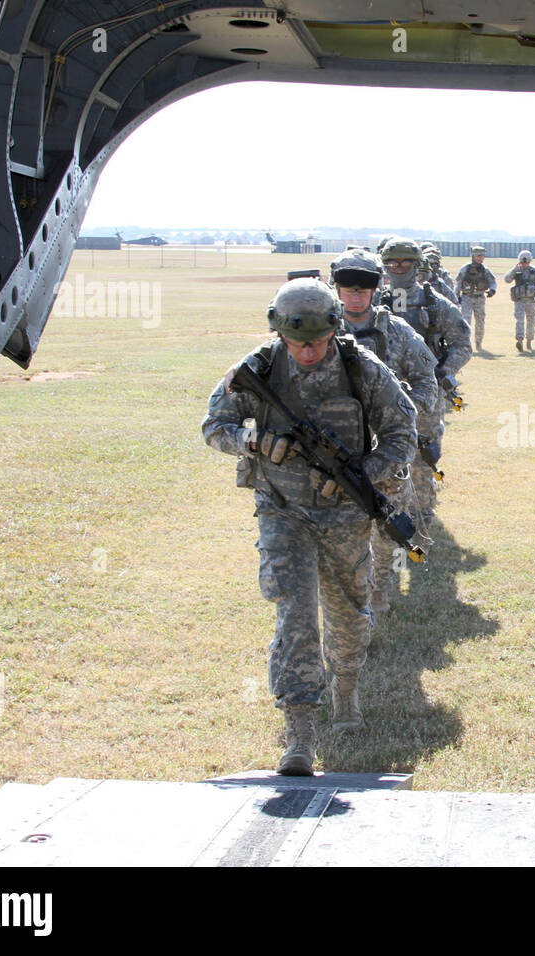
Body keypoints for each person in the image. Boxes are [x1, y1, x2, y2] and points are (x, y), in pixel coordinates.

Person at [202, 277, 418, 775]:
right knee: (294, 613)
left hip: (344, 515)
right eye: (297, 342)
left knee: (346, 613)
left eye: (317, 342)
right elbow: (213, 427)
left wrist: (362, 474)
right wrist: (253, 441)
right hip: (282, 510)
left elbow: (403, 432)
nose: (307, 351)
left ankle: (346, 688)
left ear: (334, 331)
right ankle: (299, 730)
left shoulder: (360, 367)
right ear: (279, 332)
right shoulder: (257, 367)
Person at [331, 249, 439, 616]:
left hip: (386, 448)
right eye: (348, 288)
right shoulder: (320, 330)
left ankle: (380, 591)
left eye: (365, 287)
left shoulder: (397, 331)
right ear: (337, 289)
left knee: (388, 522)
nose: (356, 295)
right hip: (335, 447)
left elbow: (427, 381)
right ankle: (346, 597)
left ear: (377, 289)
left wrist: (404, 408)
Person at [377, 236, 471, 527]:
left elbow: (462, 343)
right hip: (381, 397)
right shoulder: (376, 303)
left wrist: (441, 372)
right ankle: (388, 515)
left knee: (422, 457)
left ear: (417, 265)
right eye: (393, 263)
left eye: (405, 262)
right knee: (383, 457)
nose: (399, 268)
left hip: (425, 396)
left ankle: (422, 517)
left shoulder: (435, 304)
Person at [455, 245, 497, 350]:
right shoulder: (465, 268)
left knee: (480, 321)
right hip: (467, 298)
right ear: (473, 256)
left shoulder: (485, 270)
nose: (481, 258)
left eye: (482, 256)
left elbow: (492, 281)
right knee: (466, 321)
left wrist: (492, 290)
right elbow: (458, 283)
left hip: (479, 298)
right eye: (478, 256)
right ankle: (466, 343)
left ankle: (478, 343)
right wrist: (457, 296)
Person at [504, 250, 535, 352]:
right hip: (519, 301)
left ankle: (529, 342)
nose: (524, 264)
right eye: (523, 262)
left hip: (532, 301)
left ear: (530, 261)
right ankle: (520, 340)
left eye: (526, 262)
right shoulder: (516, 270)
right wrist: (514, 270)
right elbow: (507, 279)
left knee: (531, 322)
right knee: (520, 321)